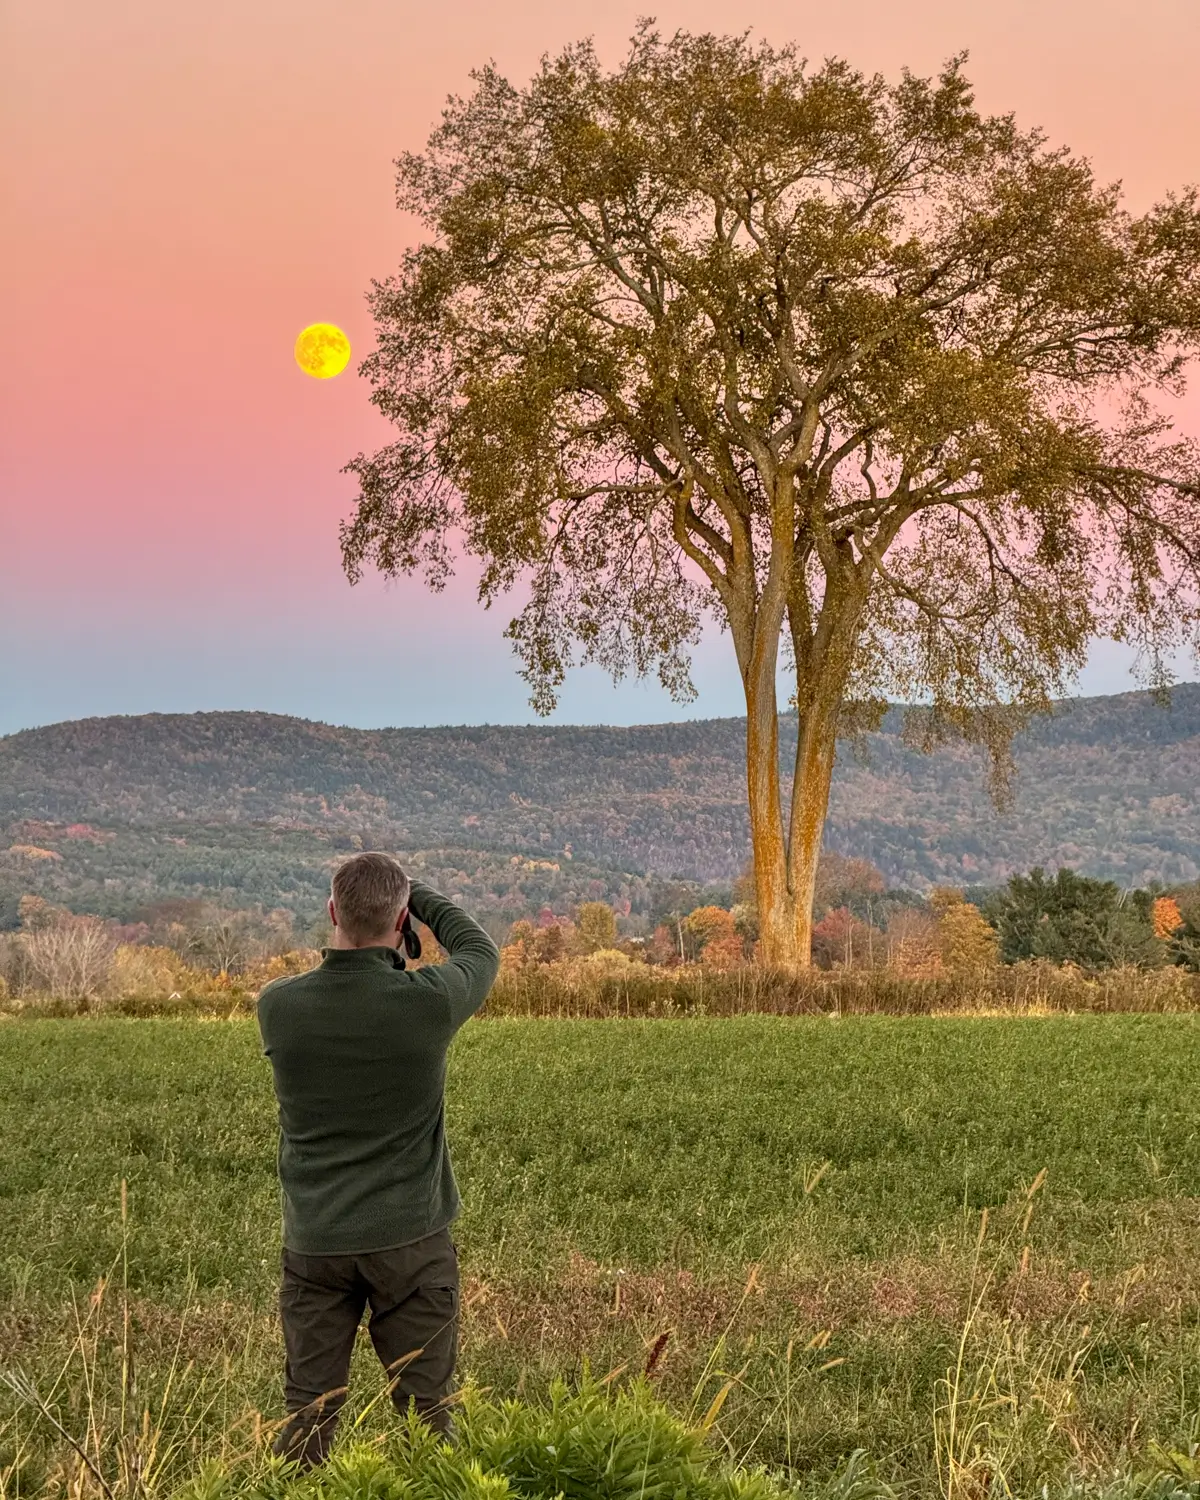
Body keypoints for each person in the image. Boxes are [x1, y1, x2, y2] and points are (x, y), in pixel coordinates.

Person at [257, 852, 500, 1469]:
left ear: (332, 911)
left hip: (316, 1244)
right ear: (402, 919)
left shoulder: (279, 1006)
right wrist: (421, 897)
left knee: (307, 1414)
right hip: (412, 1243)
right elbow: (479, 950)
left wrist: (398, 905)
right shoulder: (427, 1002)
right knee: (429, 1417)